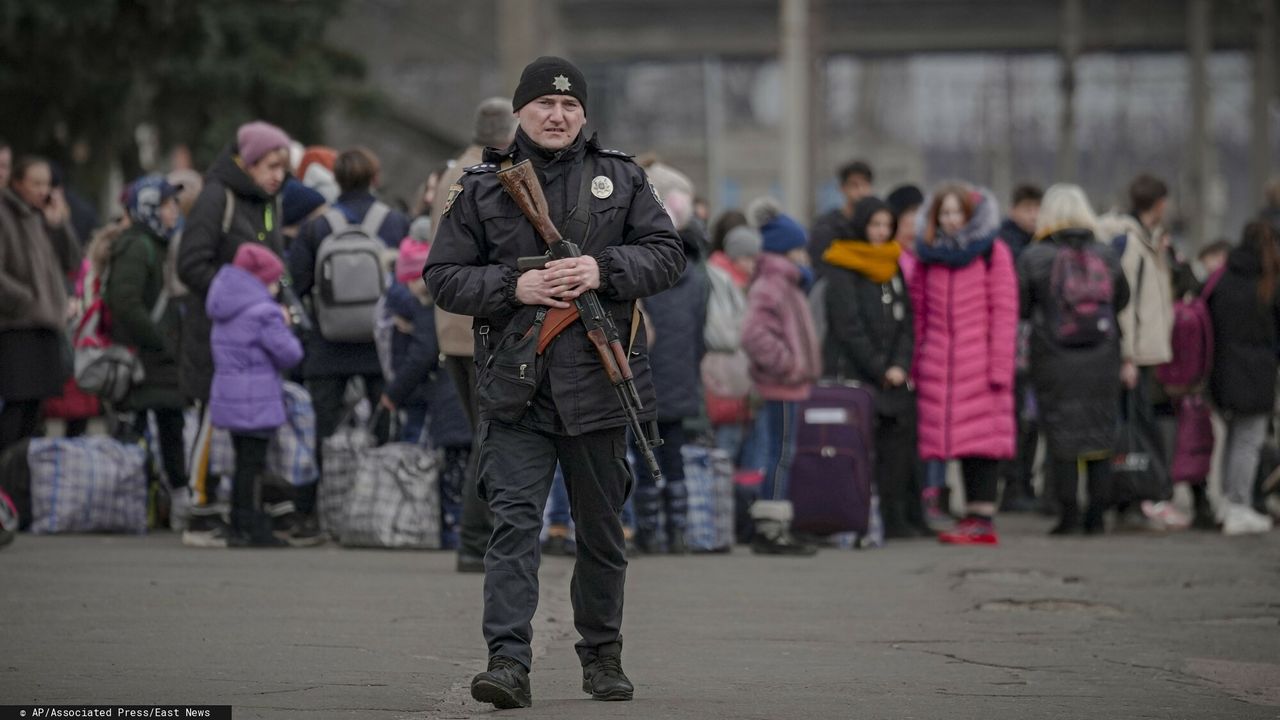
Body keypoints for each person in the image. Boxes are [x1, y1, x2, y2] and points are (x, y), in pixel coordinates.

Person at [424, 56, 684, 708]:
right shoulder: (483, 187)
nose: (558, 115)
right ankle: (507, 663)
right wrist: (515, 285)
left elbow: (668, 255)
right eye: (544, 104)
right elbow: (443, 277)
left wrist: (602, 269)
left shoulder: (622, 178)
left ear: (585, 115)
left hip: (600, 384)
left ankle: (603, 657)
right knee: (513, 529)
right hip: (517, 387)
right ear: (520, 112)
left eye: (570, 106)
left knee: (600, 534)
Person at [177, 120, 295, 548]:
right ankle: (200, 513)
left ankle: (245, 513)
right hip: (215, 335)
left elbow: (273, 265)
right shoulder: (217, 197)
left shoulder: (268, 203)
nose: (277, 174)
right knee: (211, 421)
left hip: (256, 340)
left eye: (282, 166)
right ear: (246, 163)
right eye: (269, 164)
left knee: (249, 431)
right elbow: (190, 264)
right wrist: (245, 300)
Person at [287, 145, 411, 534]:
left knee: (322, 430)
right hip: (381, 345)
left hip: (328, 343)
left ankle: (311, 515)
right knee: (383, 427)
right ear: (375, 178)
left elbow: (298, 284)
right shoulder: (395, 222)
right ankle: (375, 511)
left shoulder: (316, 227)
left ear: (335, 180)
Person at [428, 96, 518, 574]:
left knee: (483, 433)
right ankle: (475, 540)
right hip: (482, 321)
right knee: (492, 436)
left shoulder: (452, 172)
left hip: (452, 327)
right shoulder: (488, 176)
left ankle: (476, 538)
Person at [1017, 184, 1129, 535]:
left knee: (1061, 434)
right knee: (1100, 431)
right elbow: (1121, 299)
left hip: (1053, 356)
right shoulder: (1106, 253)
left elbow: (1021, 305)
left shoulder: (1034, 256)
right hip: (1103, 354)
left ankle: (1068, 515)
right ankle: (1097, 515)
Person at [911, 183, 1018, 546]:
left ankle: (982, 517)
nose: (951, 220)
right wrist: (917, 362)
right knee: (945, 442)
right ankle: (956, 511)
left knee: (981, 443)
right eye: (945, 213)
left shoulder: (993, 252)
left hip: (981, 364)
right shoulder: (928, 258)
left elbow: (1004, 312)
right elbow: (919, 315)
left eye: (958, 212)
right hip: (938, 363)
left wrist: (1001, 368)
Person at [822, 196, 925, 539]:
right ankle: (860, 514)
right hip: (857, 375)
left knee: (899, 448)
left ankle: (898, 516)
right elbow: (847, 325)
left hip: (893, 378)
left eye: (886, 226)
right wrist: (880, 367)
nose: (881, 233)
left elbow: (907, 322)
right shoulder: (843, 263)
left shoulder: (892, 264)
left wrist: (899, 364)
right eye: (875, 225)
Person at [630, 162, 708, 554]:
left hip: (643, 383)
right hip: (681, 383)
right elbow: (700, 336)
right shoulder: (695, 277)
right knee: (675, 457)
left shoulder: (638, 273)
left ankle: (649, 533)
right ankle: (678, 532)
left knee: (645, 460)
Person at [104, 176, 190, 527]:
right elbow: (124, 301)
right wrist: (158, 339)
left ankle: (169, 501)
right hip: (146, 359)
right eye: (169, 205)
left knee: (170, 425)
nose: (174, 212)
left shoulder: (155, 243)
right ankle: (137, 501)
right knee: (140, 429)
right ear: (151, 208)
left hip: (159, 359)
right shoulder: (138, 246)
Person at [207, 243, 304, 547]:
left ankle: (239, 523)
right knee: (254, 466)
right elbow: (290, 354)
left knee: (242, 465)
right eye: (274, 280)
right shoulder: (264, 313)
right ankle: (252, 527)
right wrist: (286, 323)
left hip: (229, 397)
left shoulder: (224, 307)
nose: (277, 287)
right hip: (256, 399)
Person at [1098, 174, 1181, 529]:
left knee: (1138, 426)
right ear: (1159, 203)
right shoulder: (1130, 243)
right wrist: (1128, 355)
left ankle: (1135, 495)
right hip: (1135, 353)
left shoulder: (1150, 241)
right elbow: (1125, 305)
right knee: (1132, 428)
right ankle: (1129, 498)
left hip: (1147, 351)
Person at [740, 197, 821, 556]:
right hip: (781, 385)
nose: (804, 256)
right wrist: (788, 365)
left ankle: (777, 523)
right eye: (798, 249)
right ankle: (770, 527)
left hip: (788, 385)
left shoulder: (785, 281)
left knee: (781, 451)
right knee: (779, 452)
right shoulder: (773, 282)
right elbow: (752, 333)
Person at [380, 239, 472, 548]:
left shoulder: (424, 309)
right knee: (466, 469)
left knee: (453, 472)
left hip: (448, 403)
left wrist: (392, 394)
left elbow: (420, 356)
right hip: (461, 400)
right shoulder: (452, 302)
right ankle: (459, 530)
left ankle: (454, 531)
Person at [0, 155, 81, 452]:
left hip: (46, 324)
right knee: (18, 408)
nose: (42, 190)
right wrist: (27, 300)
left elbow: (72, 260)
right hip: (18, 326)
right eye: (35, 183)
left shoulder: (39, 216)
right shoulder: (8, 213)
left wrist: (59, 224)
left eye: (47, 184)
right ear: (18, 183)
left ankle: (16, 485)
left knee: (35, 413)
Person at [1207, 221, 1280, 535]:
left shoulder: (1224, 277)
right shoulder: (1268, 283)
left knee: (1233, 437)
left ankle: (1226, 501)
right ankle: (1239, 504)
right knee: (1249, 440)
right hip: (1256, 372)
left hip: (1222, 370)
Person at [997, 184, 1044, 513]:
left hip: (1031, 339)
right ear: (1014, 208)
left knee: (1031, 415)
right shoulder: (1008, 244)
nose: (1033, 215)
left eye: (1037, 209)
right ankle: (1013, 484)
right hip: (1014, 339)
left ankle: (1025, 481)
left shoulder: (1036, 244)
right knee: (1017, 415)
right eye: (1027, 208)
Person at [809, 160, 874, 275]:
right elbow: (819, 263)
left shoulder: (877, 224)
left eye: (865, 184)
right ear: (842, 188)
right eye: (854, 185)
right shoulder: (827, 225)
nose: (861, 191)